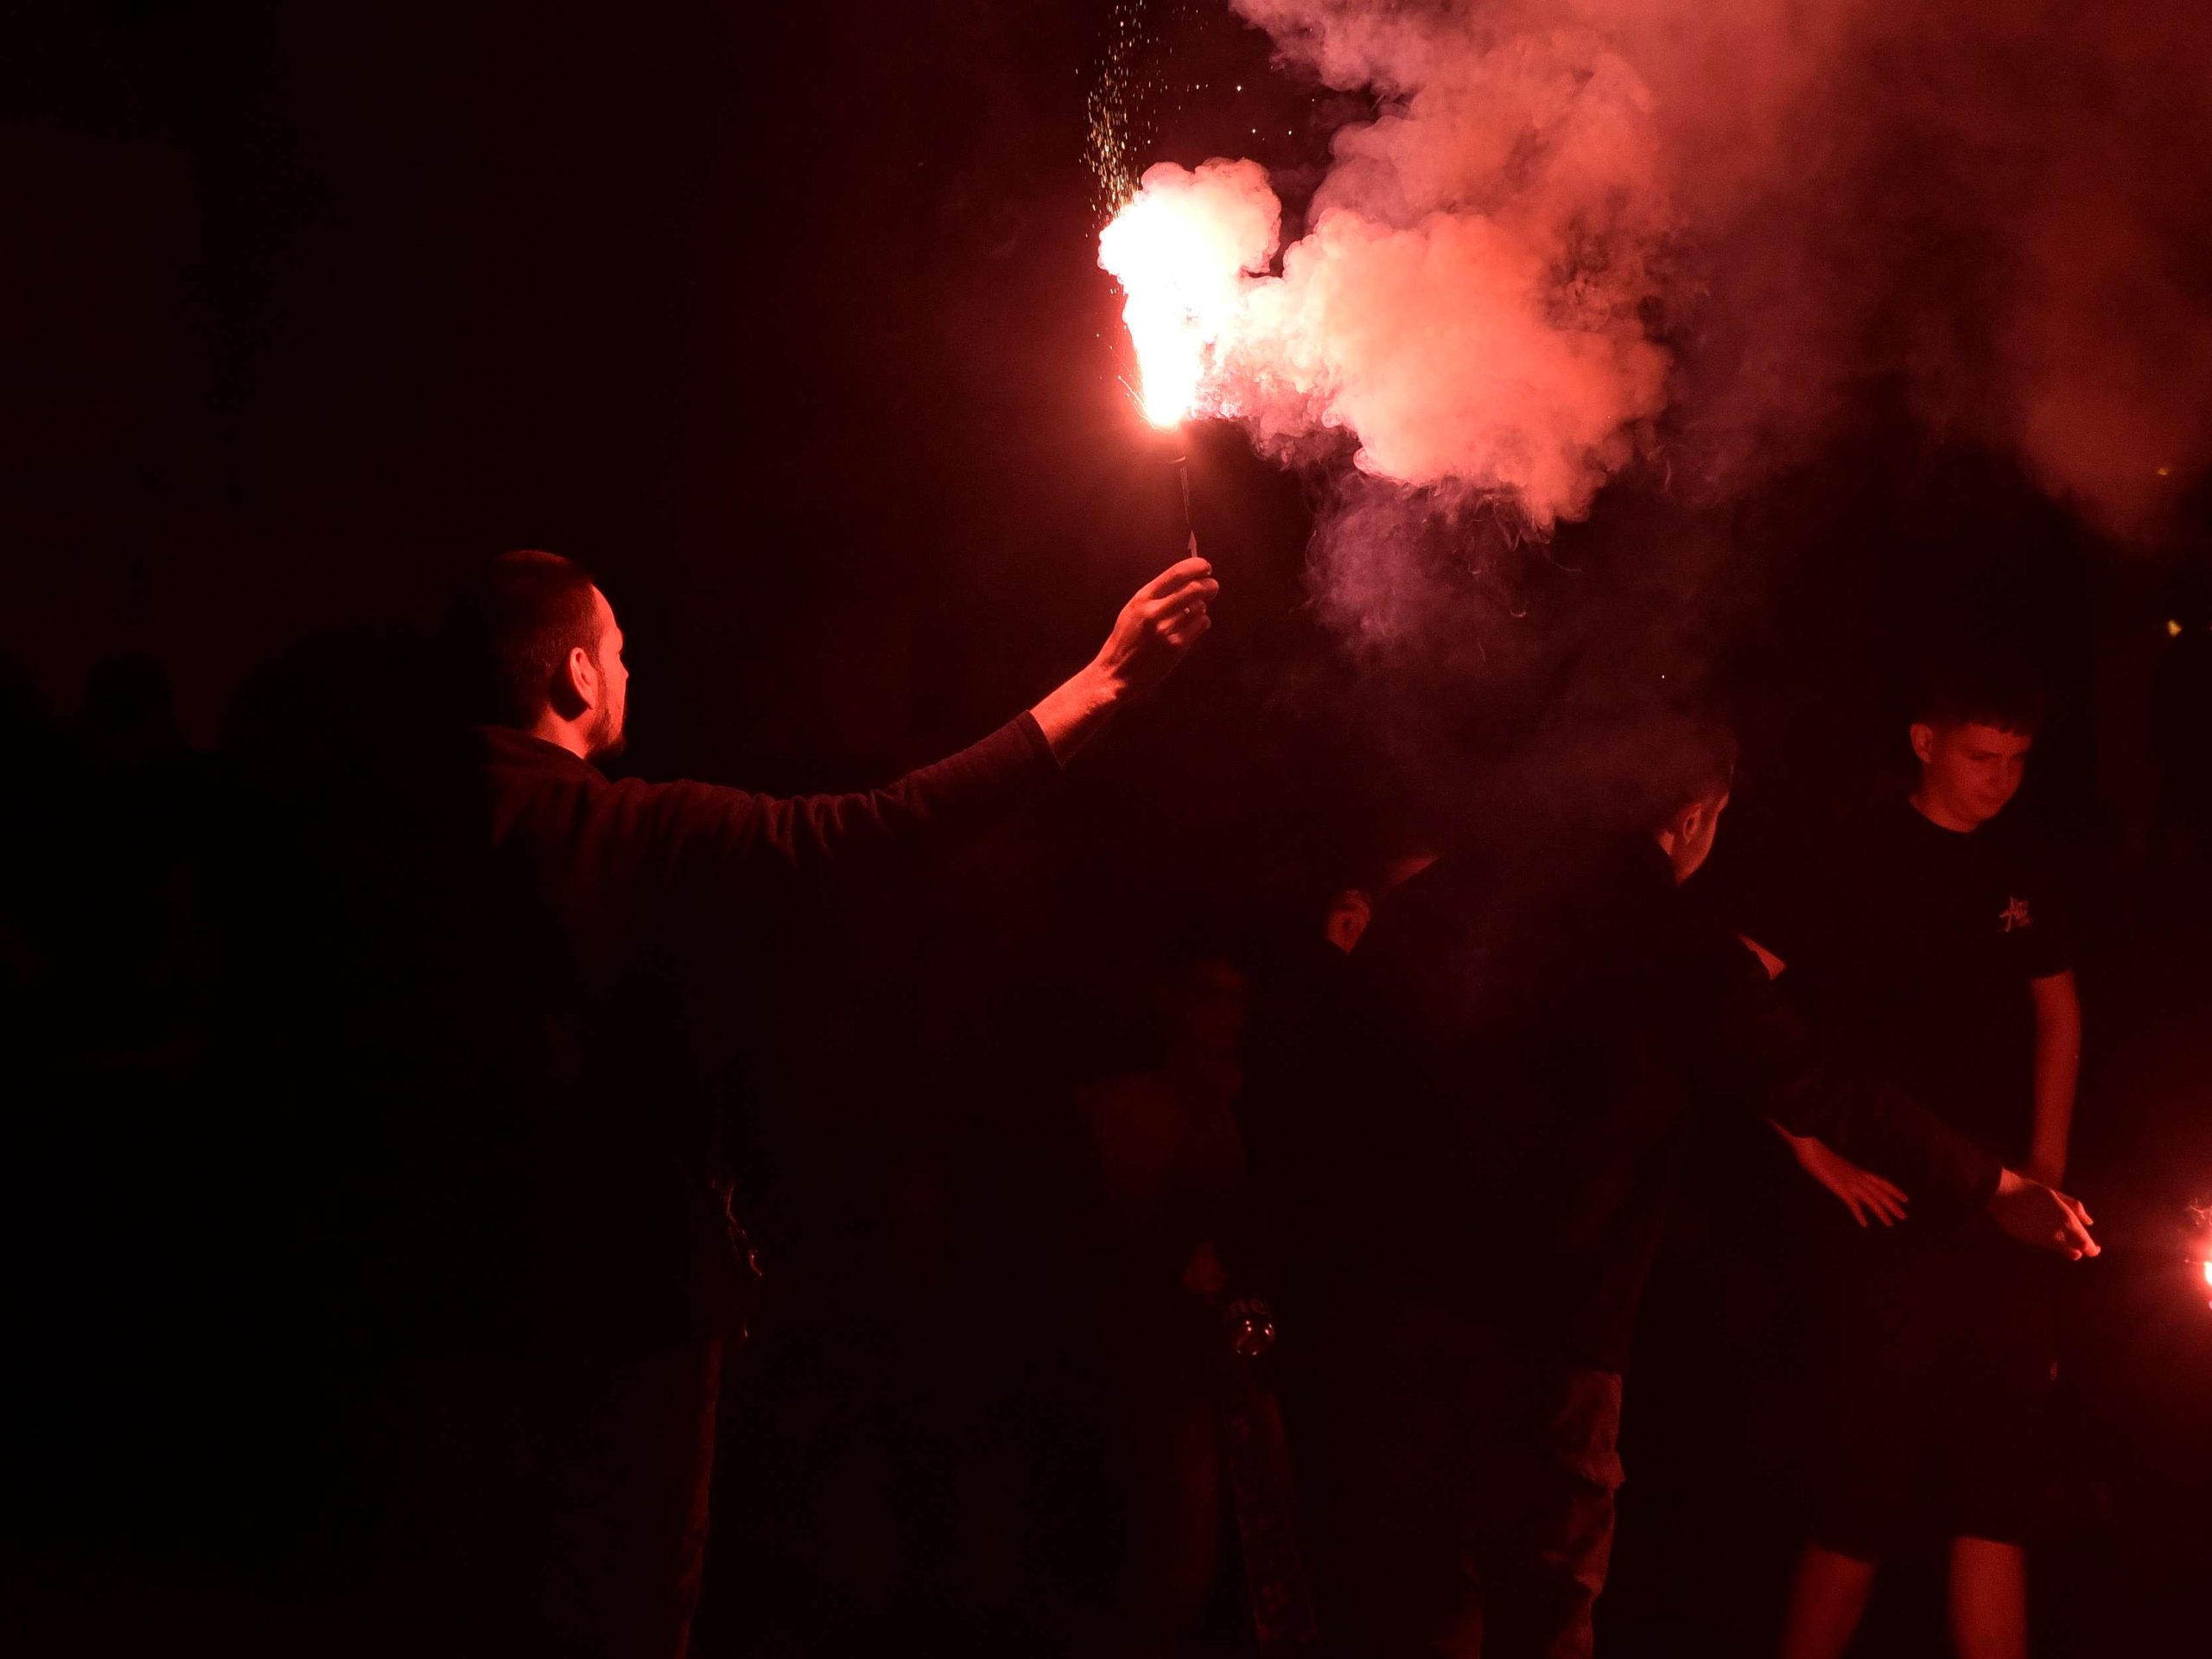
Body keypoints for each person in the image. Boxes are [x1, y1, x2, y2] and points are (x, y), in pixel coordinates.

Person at [384, 544, 1217, 1657]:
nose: (632, 679)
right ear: (576, 677)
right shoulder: (631, 833)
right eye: (620, 656)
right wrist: (1107, 680)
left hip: (427, 1313)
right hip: (626, 1318)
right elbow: (881, 833)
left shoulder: (378, 856)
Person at [1300, 711, 2095, 1659]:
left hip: (1382, 1305)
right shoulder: (1662, 936)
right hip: (1547, 1326)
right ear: (1688, 819)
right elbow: (1822, 1087)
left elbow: (1331, 1063)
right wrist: (1993, 1182)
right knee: (1540, 1598)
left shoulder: (1451, 893)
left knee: (1415, 1598)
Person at [1745, 669, 2080, 1659]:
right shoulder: (1847, 857)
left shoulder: (2020, 866)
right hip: (1884, 1214)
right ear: (1924, 741)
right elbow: (1738, 1005)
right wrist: (1805, 1145)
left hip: (2000, 1217)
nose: (2002, 780)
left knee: (1995, 1493)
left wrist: (2044, 1169)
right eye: (1983, 756)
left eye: (2019, 761)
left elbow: (2057, 1012)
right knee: (1863, 1496)